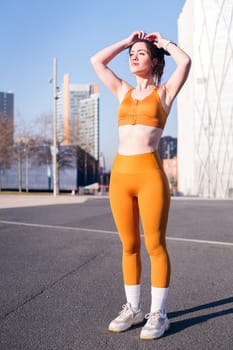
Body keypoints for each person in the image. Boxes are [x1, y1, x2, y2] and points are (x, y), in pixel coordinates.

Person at [90, 31, 191, 340]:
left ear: (155, 61)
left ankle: (158, 314)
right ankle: (133, 309)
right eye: (131, 54)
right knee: (129, 245)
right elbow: (97, 61)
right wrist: (124, 42)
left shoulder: (164, 94)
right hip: (120, 176)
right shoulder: (122, 90)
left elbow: (185, 61)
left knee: (154, 245)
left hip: (149, 176)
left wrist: (163, 43)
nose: (133, 56)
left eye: (141, 53)